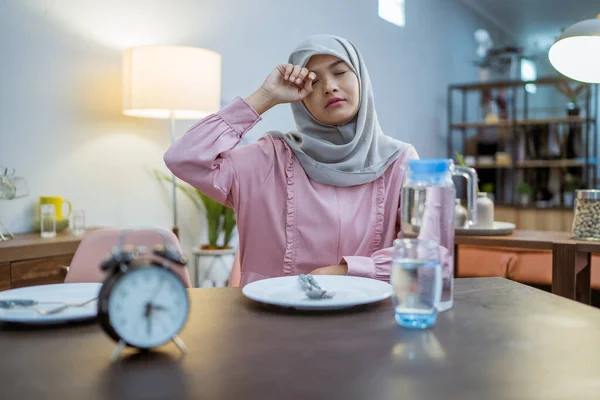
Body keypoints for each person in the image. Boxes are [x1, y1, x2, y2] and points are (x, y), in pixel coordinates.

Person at [164, 34, 418, 286]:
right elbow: (183, 158)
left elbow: (424, 251)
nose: (329, 86)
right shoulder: (270, 157)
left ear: (361, 78)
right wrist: (265, 96)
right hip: (275, 319)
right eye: (313, 80)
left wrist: (346, 271)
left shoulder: (399, 161)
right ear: (300, 95)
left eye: (340, 72)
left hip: (368, 317)